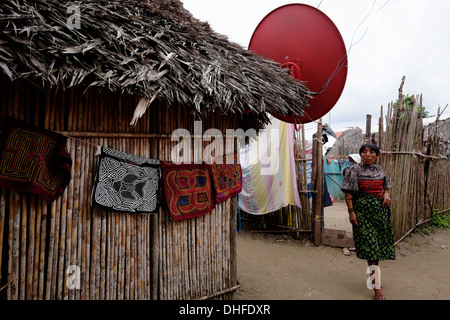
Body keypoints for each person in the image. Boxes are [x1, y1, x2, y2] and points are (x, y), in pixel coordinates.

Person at [340, 143, 396, 300]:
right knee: (371, 247)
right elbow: (348, 193)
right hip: (362, 214)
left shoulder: (379, 170)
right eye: (364, 152)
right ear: (360, 155)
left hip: (380, 213)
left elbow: (386, 186)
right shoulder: (354, 170)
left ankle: (374, 279)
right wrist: (352, 212)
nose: (367, 154)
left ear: (377, 156)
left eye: (371, 152)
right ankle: (377, 288)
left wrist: (386, 195)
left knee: (377, 247)